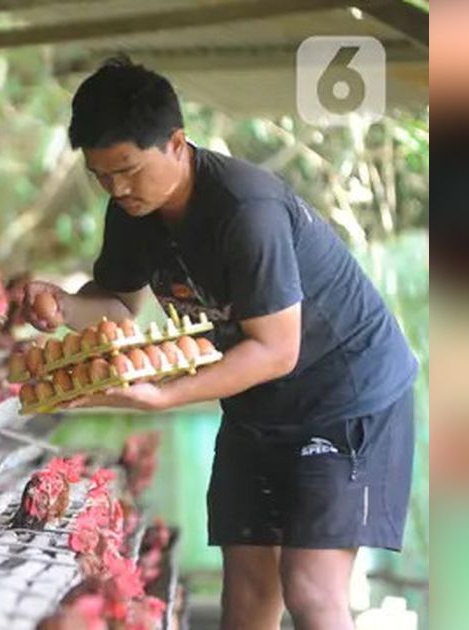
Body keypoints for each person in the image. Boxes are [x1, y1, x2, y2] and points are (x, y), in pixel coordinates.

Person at [22, 57, 417, 630]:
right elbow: (117, 305)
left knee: (310, 590)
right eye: (102, 175)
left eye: (128, 169)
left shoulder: (244, 211)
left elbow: (278, 349)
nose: (118, 188)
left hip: (346, 401)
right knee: (248, 595)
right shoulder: (133, 210)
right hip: (259, 403)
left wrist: (162, 395)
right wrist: (61, 304)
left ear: (177, 142)